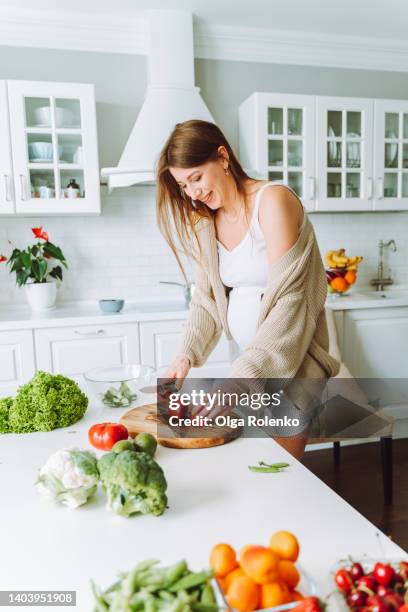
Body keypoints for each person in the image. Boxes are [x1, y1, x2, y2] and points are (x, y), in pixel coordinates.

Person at [156, 120, 339, 459]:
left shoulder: (273, 201)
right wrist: (185, 355)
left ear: (223, 157)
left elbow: (291, 303)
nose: (193, 193)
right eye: (183, 185)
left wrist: (239, 383)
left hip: (295, 367)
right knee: (249, 470)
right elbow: (206, 298)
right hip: (249, 364)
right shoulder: (206, 221)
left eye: (196, 178)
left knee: (277, 472)